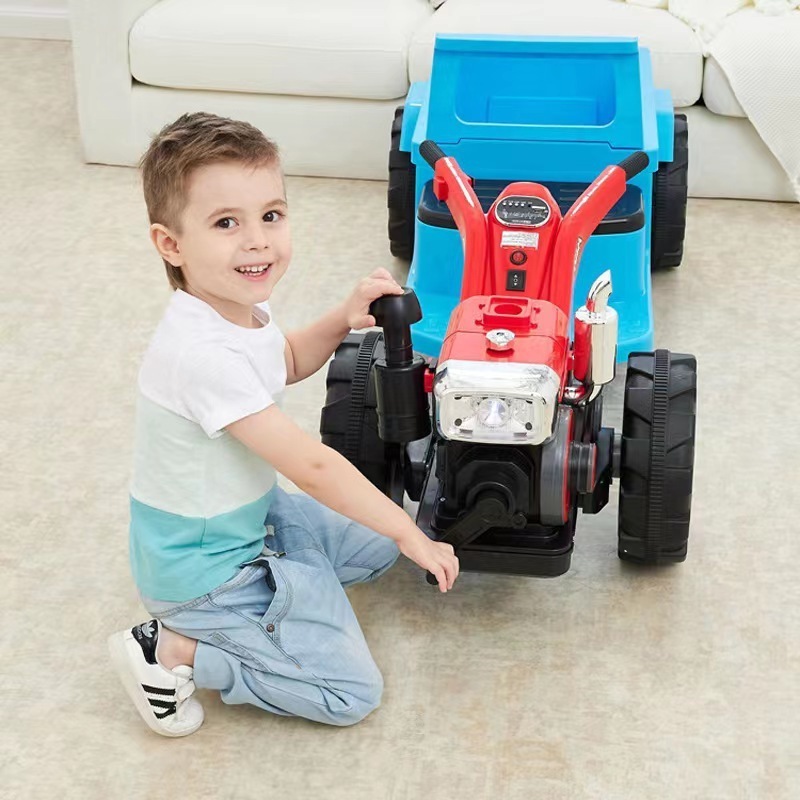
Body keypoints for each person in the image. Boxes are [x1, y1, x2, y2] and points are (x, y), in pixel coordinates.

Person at [108, 112, 459, 738]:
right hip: (206, 574)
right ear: (171, 244)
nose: (258, 242)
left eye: (271, 215)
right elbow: (314, 466)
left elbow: (286, 360)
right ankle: (171, 649)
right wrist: (410, 532)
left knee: (379, 543)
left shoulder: (237, 307)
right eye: (226, 223)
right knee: (349, 691)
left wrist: (341, 318)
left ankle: (294, 594)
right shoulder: (199, 355)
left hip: (253, 517)